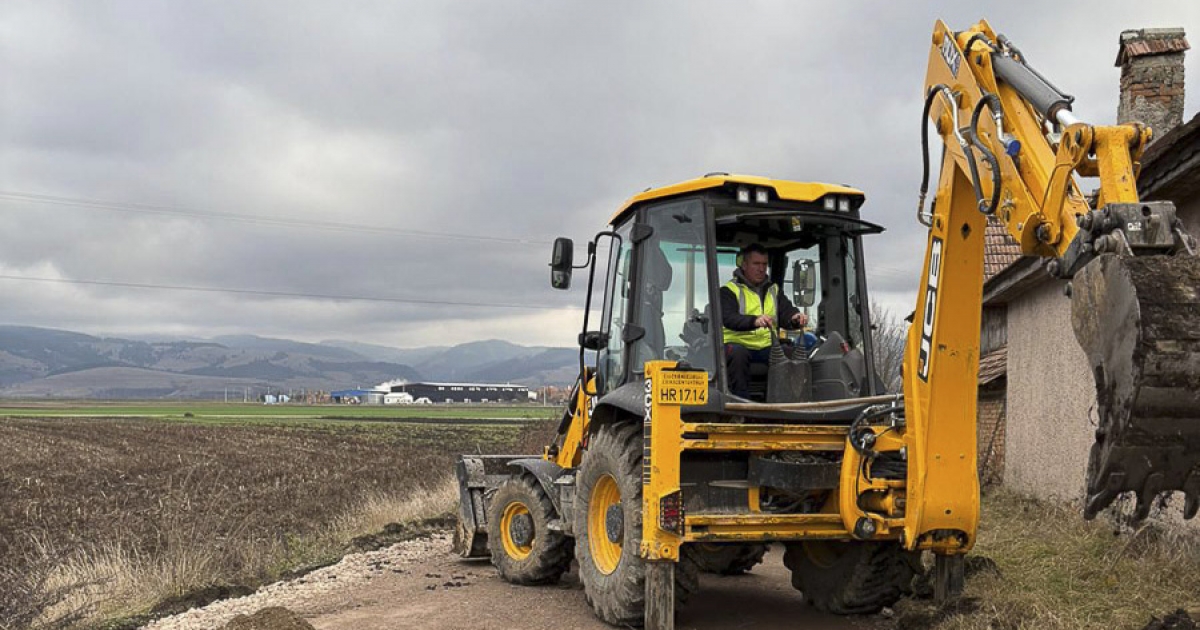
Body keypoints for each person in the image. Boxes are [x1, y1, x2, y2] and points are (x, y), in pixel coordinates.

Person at [721, 243, 809, 399]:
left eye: (764, 264)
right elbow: (728, 318)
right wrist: (754, 321)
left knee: (791, 353)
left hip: (766, 347)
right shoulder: (729, 291)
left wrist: (795, 318)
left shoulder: (773, 290)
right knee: (737, 354)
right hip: (737, 344)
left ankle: (786, 402)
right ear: (744, 264)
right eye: (756, 264)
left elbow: (786, 311)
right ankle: (740, 405)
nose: (761, 269)